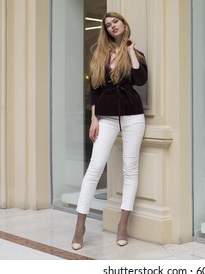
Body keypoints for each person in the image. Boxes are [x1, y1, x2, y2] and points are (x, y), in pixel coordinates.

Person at [71, 12, 147, 249]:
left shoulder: (135, 53)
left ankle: (123, 224)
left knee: (130, 169)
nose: (112, 26)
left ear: (124, 24)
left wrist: (131, 50)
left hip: (133, 115)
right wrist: (94, 119)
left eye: (115, 22)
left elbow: (140, 79)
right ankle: (80, 225)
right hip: (107, 118)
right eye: (108, 24)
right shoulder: (100, 54)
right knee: (94, 169)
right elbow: (95, 88)